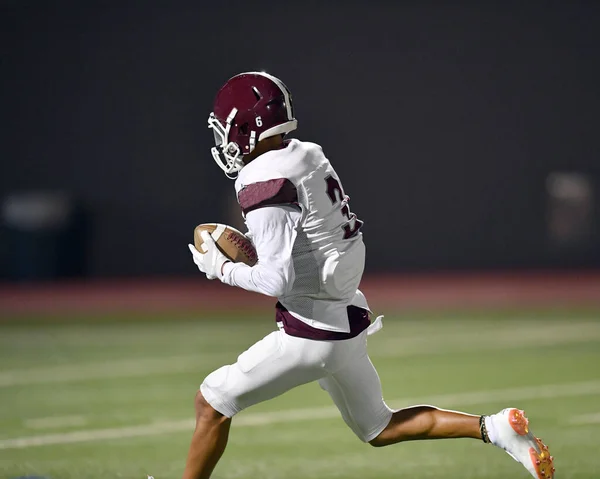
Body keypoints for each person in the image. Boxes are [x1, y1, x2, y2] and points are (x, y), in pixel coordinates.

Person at [185, 71, 554, 479]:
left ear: (245, 127)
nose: (224, 139)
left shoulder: (261, 180)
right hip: (346, 318)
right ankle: (496, 427)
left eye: (226, 128)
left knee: (212, 402)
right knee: (378, 426)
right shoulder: (307, 153)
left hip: (311, 335)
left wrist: (223, 269)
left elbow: (275, 281)